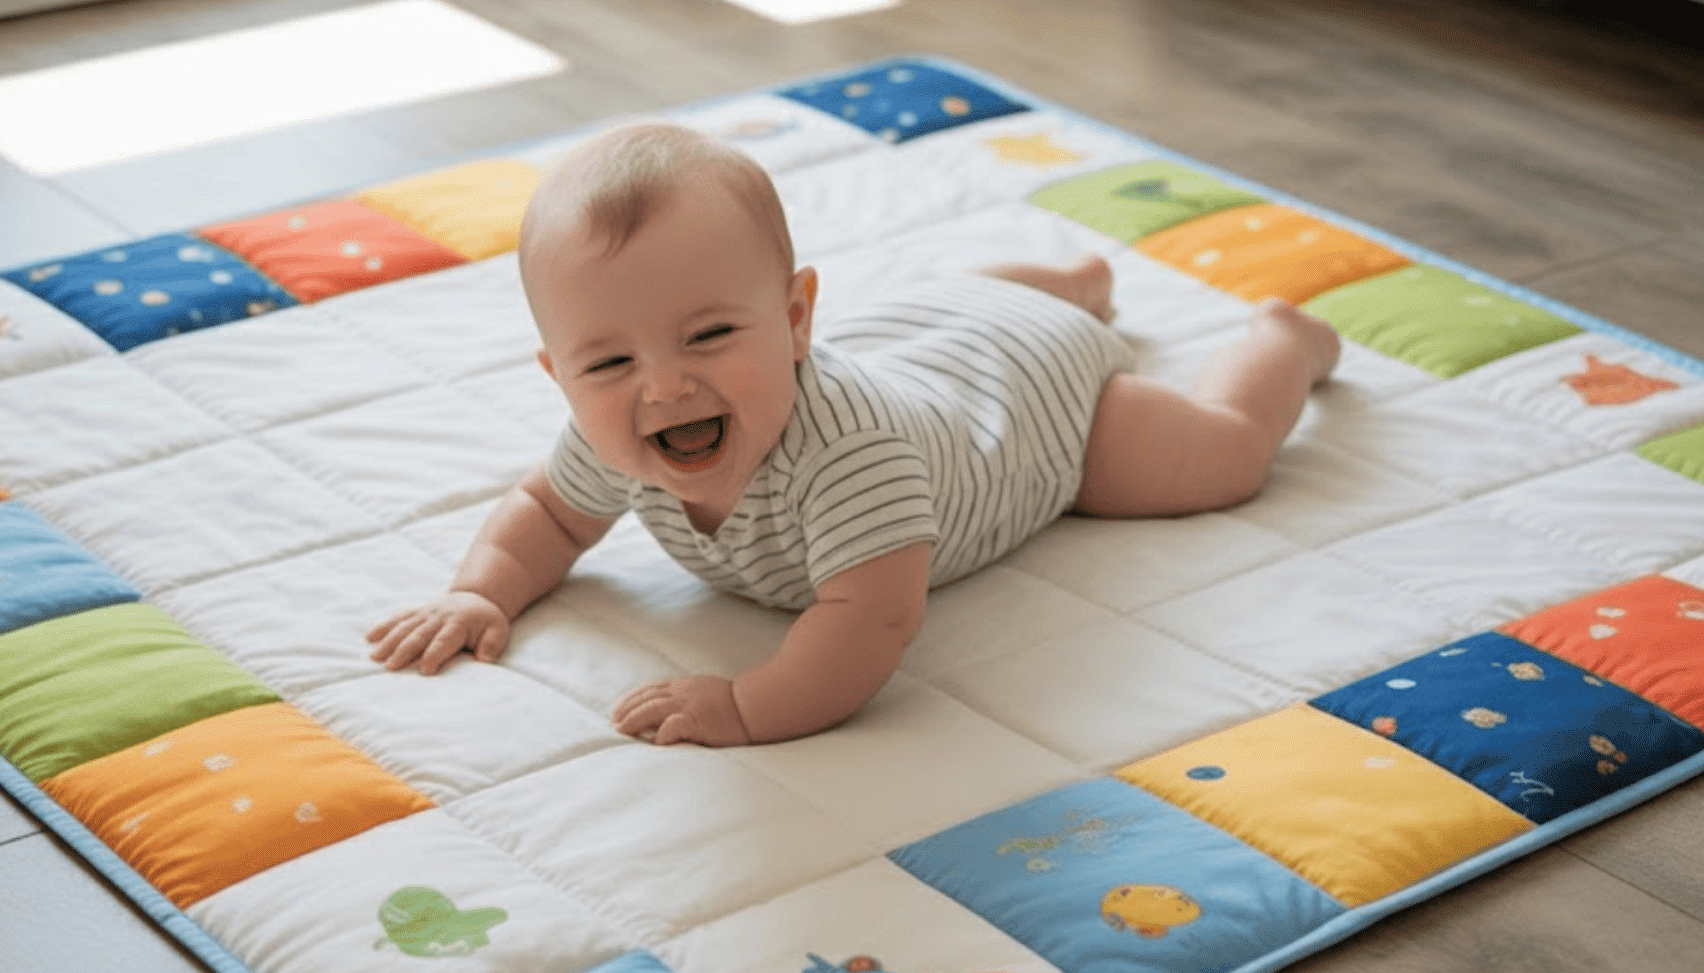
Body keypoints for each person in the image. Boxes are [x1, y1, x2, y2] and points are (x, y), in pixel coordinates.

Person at [366, 122, 1339, 747]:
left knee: (1222, 459)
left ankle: (1278, 343)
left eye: (709, 335)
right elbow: (547, 513)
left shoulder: (852, 461)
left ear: (796, 320)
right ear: (561, 375)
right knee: (942, 313)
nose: (662, 385)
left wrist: (746, 706)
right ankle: (1075, 280)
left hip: (1042, 406)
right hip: (932, 332)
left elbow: (870, 619)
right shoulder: (609, 432)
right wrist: (479, 591)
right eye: (610, 362)